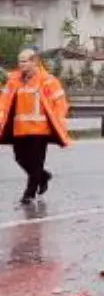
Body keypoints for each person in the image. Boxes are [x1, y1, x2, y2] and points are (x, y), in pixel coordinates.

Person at [0, 49, 71, 204]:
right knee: (20, 158)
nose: (21, 64)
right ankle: (43, 176)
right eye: (20, 61)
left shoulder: (48, 80)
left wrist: (58, 120)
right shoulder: (13, 81)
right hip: (19, 129)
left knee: (36, 161)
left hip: (40, 130)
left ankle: (29, 194)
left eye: (25, 61)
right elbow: (4, 101)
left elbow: (60, 102)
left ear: (34, 62)